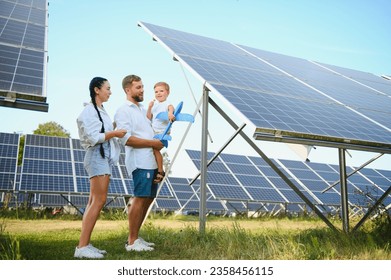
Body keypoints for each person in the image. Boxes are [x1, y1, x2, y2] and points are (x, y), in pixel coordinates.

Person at [75, 77, 127, 259]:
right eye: (108, 88)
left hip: (101, 156)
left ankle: (85, 244)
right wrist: (114, 132)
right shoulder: (89, 111)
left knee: (93, 202)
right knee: (98, 201)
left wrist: (112, 129)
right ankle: (82, 247)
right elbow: (92, 137)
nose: (110, 92)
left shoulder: (100, 111)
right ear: (97, 90)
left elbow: (101, 131)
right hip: (97, 155)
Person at [114, 74, 164, 252]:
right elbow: (125, 139)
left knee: (148, 199)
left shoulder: (143, 110)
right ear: (128, 90)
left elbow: (150, 133)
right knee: (140, 198)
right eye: (138, 87)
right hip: (139, 161)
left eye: (143, 87)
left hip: (151, 161)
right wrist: (152, 143)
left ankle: (136, 237)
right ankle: (132, 241)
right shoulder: (123, 111)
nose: (142, 90)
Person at [146, 81, 175, 183]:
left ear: (167, 92)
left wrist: (170, 114)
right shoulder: (155, 105)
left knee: (155, 149)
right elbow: (148, 118)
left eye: (161, 91)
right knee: (151, 150)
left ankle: (160, 171)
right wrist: (149, 107)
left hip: (163, 133)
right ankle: (156, 169)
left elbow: (171, 108)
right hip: (153, 133)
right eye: (156, 92)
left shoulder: (167, 104)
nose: (158, 93)